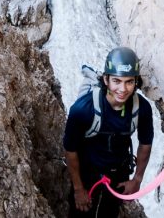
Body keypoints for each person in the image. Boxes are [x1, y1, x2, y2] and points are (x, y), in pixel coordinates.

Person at [63, 47, 154, 217]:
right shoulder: (83, 109)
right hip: (87, 173)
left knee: (109, 213)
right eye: (117, 81)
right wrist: (78, 189)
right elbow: (70, 150)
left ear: (136, 82)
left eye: (129, 82)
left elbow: (145, 143)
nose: (123, 89)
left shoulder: (142, 108)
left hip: (118, 175)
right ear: (106, 80)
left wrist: (137, 180)